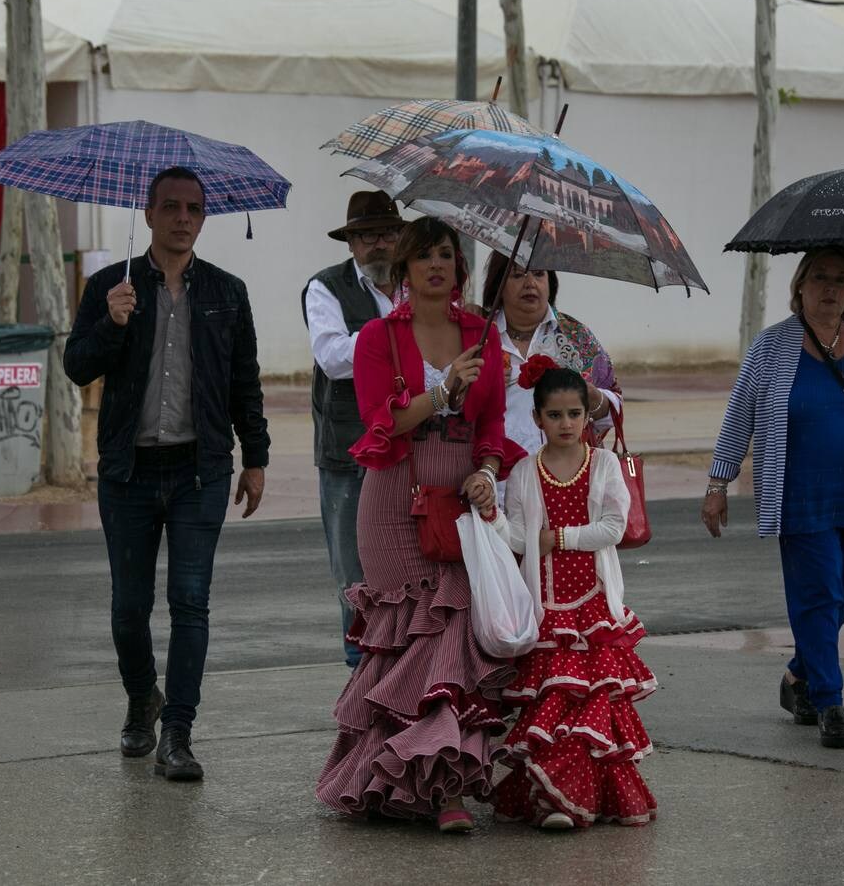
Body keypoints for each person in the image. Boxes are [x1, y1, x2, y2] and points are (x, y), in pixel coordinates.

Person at [315, 217, 526, 832]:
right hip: (393, 501)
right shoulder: (379, 336)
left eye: (445, 254)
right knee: (405, 636)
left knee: (452, 635)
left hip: (460, 495)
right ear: (403, 270)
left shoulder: (480, 333)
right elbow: (379, 421)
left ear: (459, 268)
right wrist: (442, 391)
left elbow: (490, 426)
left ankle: (444, 789)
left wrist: (488, 469)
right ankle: (385, 777)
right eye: (423, 255)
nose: (436, 264)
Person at [63, 166, 270, 781]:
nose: (183, 218)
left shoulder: (226, 292)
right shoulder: (111, 284)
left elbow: (244, 383)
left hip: (198, 472)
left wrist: (255, 457)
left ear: (204, 219)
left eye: (194, 209)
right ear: (148, 214)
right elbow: (77, 366)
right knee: (129, 606)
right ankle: (139, 700)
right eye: (172, 207)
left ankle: (177, 731)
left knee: (190, 601)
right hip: (127, 471)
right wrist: (111, 323)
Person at [700, 248, 844, 750]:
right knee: (819, 596)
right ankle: (830, 701)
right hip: (798, 496)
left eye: (840, 280)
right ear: (800, 286)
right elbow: (740, 416)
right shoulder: (771, 346)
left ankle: (798, 676)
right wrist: (717, 483)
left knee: (841, 596)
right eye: (820, 279)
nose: (830, 289)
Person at [489, 357, 658, 829]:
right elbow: (520, 539)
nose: (566, 423)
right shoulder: (524, 472)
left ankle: (576, 798)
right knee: (555, 702)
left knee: (592, 706)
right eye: (554, 415)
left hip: (594, 610)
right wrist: (492, 518)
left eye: (574, 414)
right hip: (546, 609)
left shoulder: (603, 464)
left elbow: (612, 528)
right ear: (537, 418)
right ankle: (556, 799)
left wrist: (558, 538)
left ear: (588, 416)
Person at [302, 191, 407, 668]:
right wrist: (399, 335)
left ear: (402, 236)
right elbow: (333, 358)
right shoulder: (324, 288)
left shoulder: (418, 283)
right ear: (351, 244)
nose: (378, 244)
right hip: (347, 448)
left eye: (386, 233)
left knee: (410, 559)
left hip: (412, 444)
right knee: (352, 567)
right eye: (366, 236)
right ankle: (359, 663)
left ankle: (407, 661)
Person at [480, 252, 621, 461]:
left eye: (538, 274)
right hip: (495, 476)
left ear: (550, 282)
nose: (530, 283)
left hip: (568, 478)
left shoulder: (575, 335)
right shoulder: (478, 334)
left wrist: (594, 398)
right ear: (498, 285)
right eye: (517, 275)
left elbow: (613, 408)